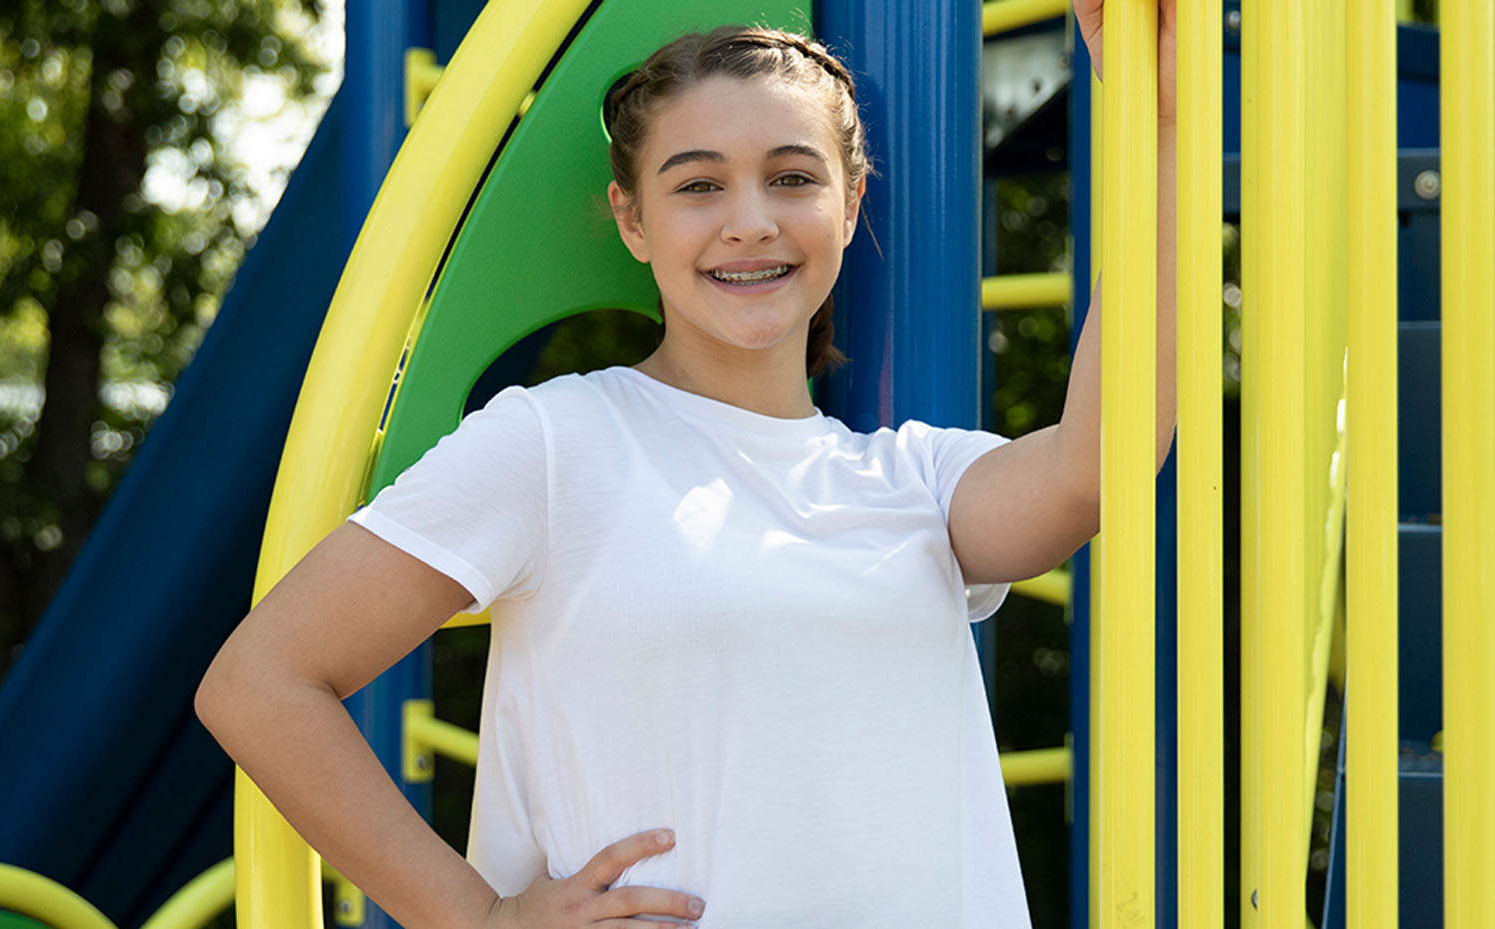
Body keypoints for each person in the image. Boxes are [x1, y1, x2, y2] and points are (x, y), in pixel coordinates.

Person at [196, 6, 1177, 928]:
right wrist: (478, 914)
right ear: (632, 219)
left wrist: (1161, 122)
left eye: (793, 177)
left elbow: (1097, 468)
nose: (749, 219)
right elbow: (262, 681)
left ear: (850, 203)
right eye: (698, 183)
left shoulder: (915, 477)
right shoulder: (558, 440)